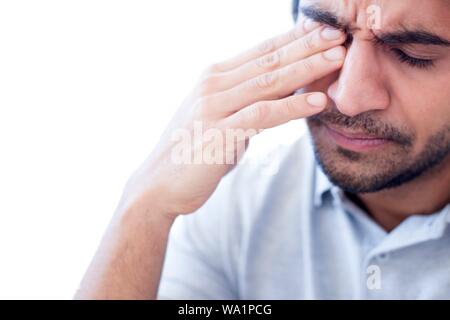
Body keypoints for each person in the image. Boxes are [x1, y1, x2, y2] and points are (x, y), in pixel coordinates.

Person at [75, 0, 450, 299]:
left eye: (412, 53)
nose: (349, 98)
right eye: (327, 34)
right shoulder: (234, 204)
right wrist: (144, 209)